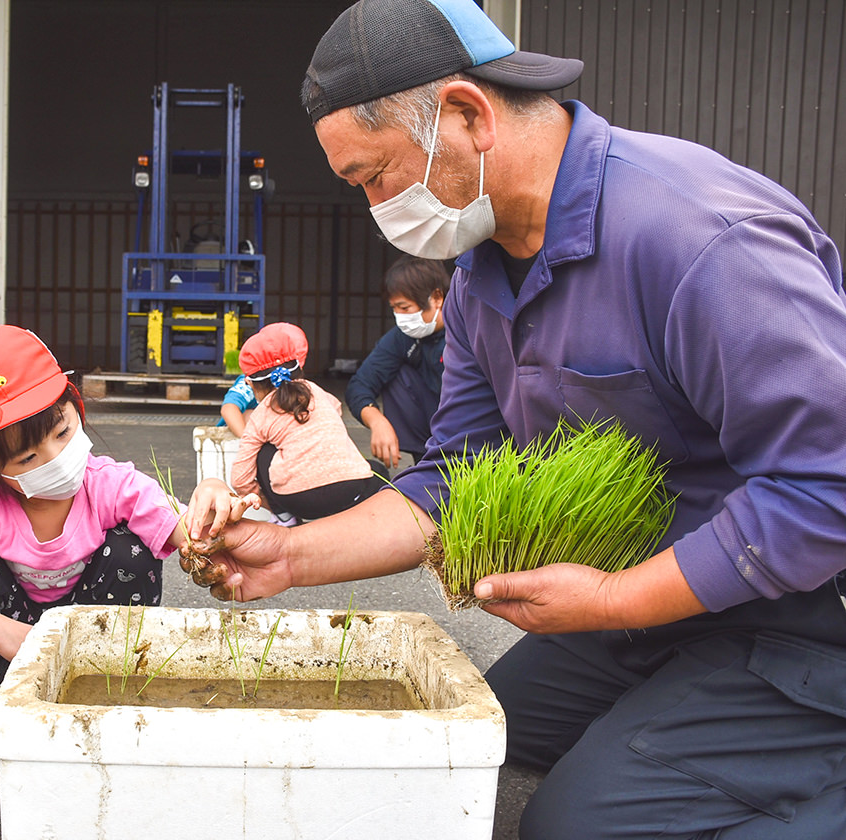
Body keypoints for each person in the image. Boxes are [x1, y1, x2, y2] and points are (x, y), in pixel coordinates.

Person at [183, 1, 846, 838]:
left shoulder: (700, 239)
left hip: (795, 621)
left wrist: (611, 600)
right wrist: (284, 554)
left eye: (375, 176)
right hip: (639, 606)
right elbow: (453, 474)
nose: (377, 206)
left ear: (468, 114)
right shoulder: (480, 274)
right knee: (467, 736)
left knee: (574, 824)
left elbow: (828, 488)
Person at [0, 324, 257, 762]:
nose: (56, 459)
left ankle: (111, 680)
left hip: (88, 622)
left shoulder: (111, 485)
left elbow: (192, 537)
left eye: (63, 433)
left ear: (76, 408)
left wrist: (213, 492)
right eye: (28, 458)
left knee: (132, 547)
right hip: (8, 632)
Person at [230, 322, 382, 523]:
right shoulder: (317, 391)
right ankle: (358, 517)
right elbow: (336, 410)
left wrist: (266, 501)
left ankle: (283, 517)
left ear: (251, 383)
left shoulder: (262, 412)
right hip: (349, 490)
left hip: (299, 502)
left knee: (263, 451)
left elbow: (240, 479)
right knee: (378, 470)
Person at [345, 255, 448, 469]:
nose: (399, 316)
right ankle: (425, 460)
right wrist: (376, 420)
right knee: (395, 373)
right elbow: (360, 384)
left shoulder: (466, 331)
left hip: (472, 430)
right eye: (394, 309)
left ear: (437, 298)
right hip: (433, 424)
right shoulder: (403, 337)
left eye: (405, 307)